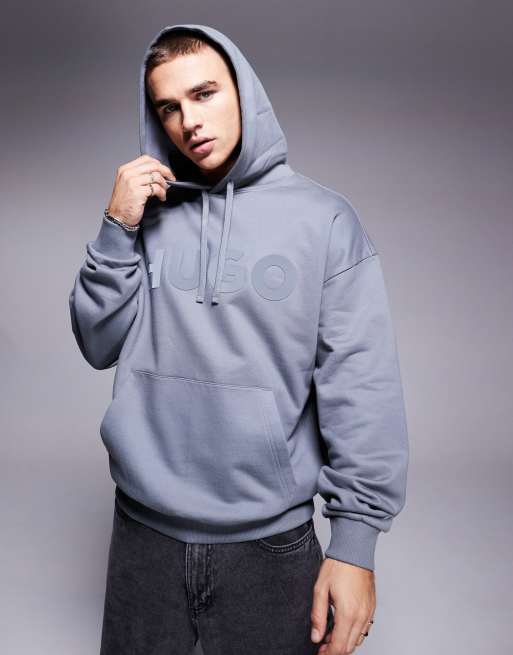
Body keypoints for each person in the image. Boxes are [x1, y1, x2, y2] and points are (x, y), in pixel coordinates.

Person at [68, 23, 409, 655]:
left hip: (269, 545)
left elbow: (362, 387)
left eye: (204, 94)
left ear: (244, 92)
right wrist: (116, 226)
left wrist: (355, 545)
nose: (188, 121)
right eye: (168, 107)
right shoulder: (143, 215)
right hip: (143, 534)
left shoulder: (324, 221)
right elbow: (95, 342)